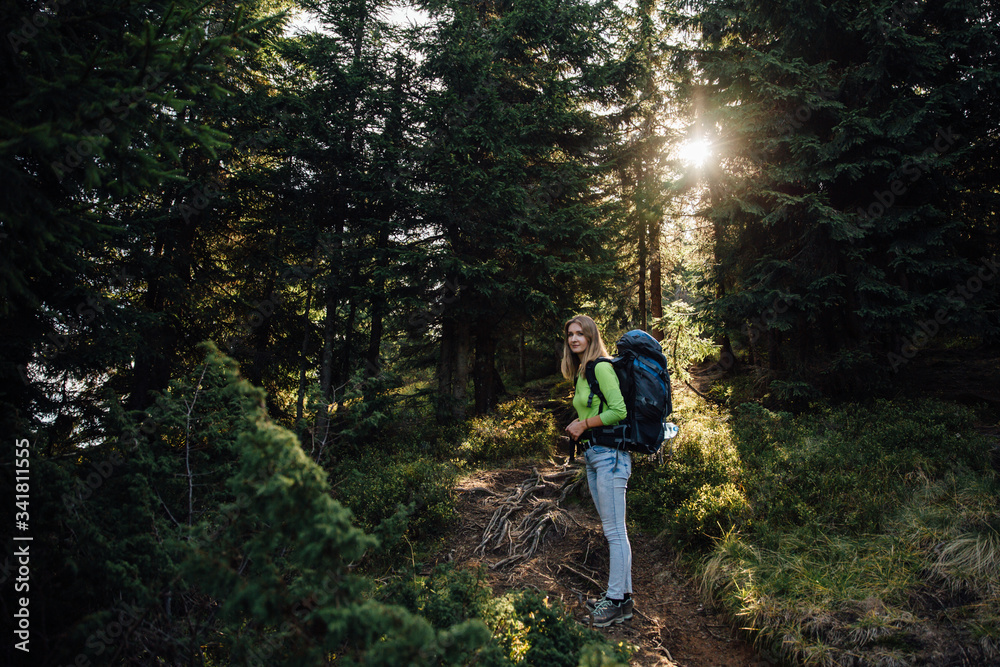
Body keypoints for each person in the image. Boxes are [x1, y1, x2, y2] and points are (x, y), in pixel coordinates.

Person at [561, 314, 634, 627]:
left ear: (591, 337)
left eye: (581, 334)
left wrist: (583, 424)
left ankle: (616, 601)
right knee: (613, 530)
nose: (575, 339)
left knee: (616, 533)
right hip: (594, 457)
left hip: (611, 457)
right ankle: (623, 599)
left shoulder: (601, 367)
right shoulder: (581, 371)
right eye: (570, 335)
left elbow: (619, 410)